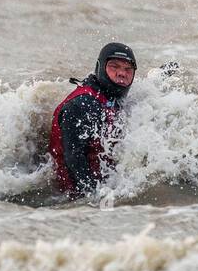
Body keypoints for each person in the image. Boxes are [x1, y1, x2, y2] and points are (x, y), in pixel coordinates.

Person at [49, 42, 136, 198]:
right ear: (100, 68)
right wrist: (95, 198)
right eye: (114, 67)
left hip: (106, 184)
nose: (122, 73)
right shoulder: (82, 105)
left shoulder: (110, 98)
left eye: (128, 69)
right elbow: (73, 158)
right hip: (70, 197)